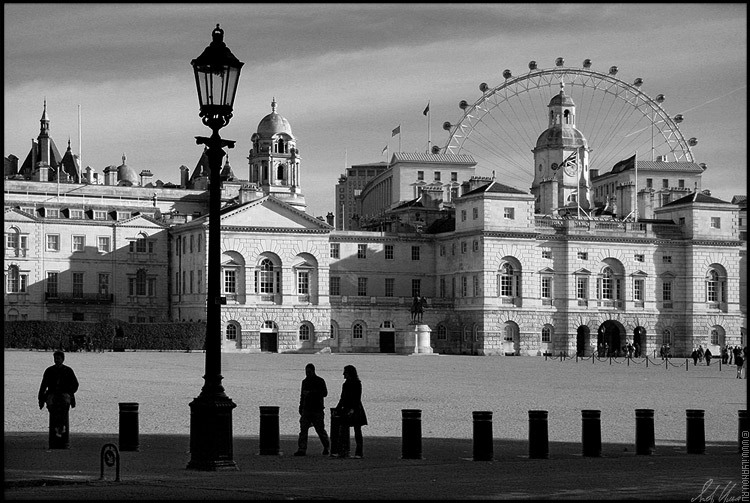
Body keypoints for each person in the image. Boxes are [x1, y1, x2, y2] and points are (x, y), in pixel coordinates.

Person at [38, 351, 79, 438]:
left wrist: (69, 392)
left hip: (65, 393)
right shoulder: (49, 371)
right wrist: (41, 399)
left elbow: (75, 384)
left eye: (58, 358)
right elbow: (43, 386)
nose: (56, 360)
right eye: (55, 358)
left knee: (64, 405)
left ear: (62, 359)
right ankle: (57, 426)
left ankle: (61, 426)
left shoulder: (68, 371)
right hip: (52, 393)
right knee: (52, 406)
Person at [293, 363, 330, 456]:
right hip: (307, 409)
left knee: (320, 430)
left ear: (313, 371)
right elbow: (302, 395)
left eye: (309, 372)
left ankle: (327, 446)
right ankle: (302, 449)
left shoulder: (320, 381)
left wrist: (311, 393)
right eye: (306, 372)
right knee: (303, 430)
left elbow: (324, 393)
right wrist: (301, 406)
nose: (307, 374)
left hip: (317, 409)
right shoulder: (304, 382)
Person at [334, 365, 367, 459]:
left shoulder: (357, 383)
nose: (343, 374)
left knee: (357, 430)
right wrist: (337, 408)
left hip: (355, 408)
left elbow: (357, 398)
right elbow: (342, 398)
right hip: (348, 408)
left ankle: (358, 452)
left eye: (345, 372)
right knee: (344, 429)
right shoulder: (346, 384)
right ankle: (343, 451)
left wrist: (352, 409)